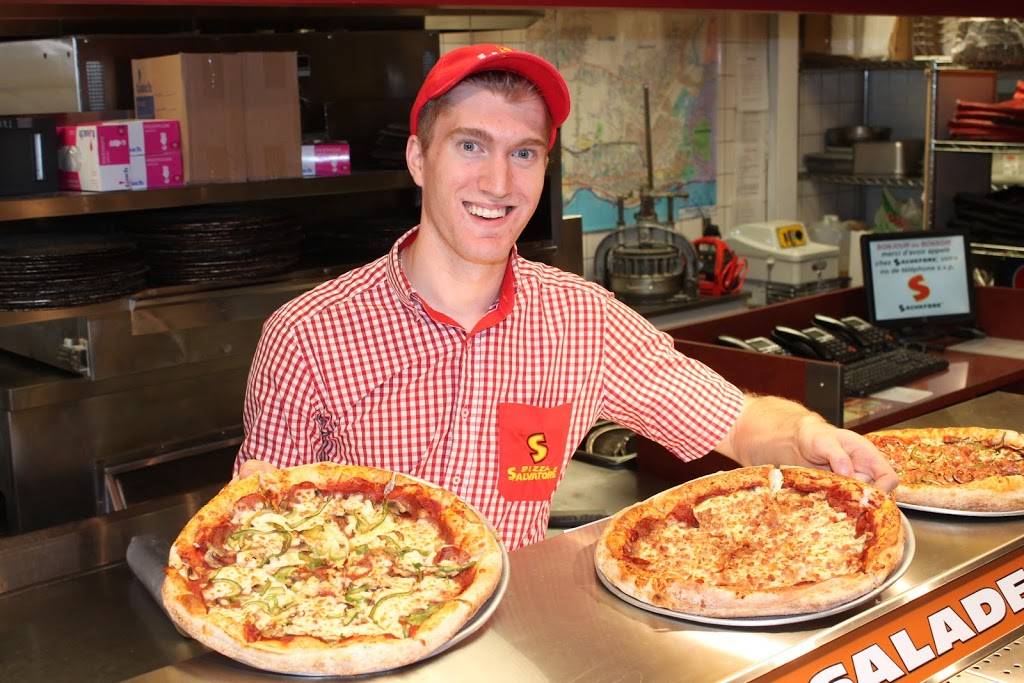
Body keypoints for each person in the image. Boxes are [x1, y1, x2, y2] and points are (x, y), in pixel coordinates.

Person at [235, 44, 897, 551]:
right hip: (364, 640)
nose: (498, 183)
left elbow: (738, 424)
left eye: (524, 154)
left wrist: (811, 435)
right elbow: (256, 536)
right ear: (417, 158)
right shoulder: (307, 334)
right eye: (471, 146)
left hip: (517, 639)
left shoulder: (583, 320)